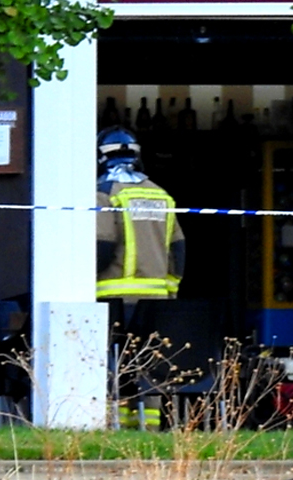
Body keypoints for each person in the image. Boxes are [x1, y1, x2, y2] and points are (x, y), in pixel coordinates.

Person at [95, 126, 186, 429]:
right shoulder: (160, 194)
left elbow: (104, 246)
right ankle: (151, 425)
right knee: (151, 362)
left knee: (115, 363)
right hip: (157, 298)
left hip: (113, 296)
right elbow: (179, 249)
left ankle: (118, 425)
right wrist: (170, 289)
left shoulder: (105, 192)